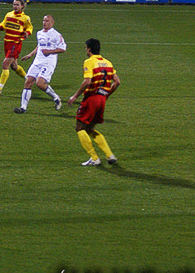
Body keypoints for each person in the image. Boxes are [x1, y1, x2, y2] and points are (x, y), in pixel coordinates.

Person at [67, 38, 120, 166]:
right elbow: (117, 82)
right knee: (90, 129)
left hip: (91, 98)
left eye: (86, 48)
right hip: (102, 100)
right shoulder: (108, 63)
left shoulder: (89, 62)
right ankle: (109, 155)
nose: (85, 50)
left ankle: (94, 158)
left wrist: (75, 96)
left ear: (89, 49)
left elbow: (87, 81)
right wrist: (106, 95)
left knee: (80, 128)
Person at [14, 15, 66, 113]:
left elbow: (63, 49)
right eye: (43, 20)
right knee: (28, 81)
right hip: (37, 61)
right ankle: (23, 107)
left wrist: (49, 52)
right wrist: (30, 54)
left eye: (47, 21)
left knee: (40, 83)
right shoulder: (39, 33)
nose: (44, 22)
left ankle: (56, 97)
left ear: (52, 23)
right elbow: (39, 46)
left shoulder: (56, 35)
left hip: (49, 62)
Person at [0, 0, 32, 95]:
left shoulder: (25, 18)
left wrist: (27, 33)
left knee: (5, 64)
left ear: (22, 6)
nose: (15, 6)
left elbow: (29, 27)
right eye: (14, 4)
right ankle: (29, 79)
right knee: (14, 66)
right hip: (7, 42)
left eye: (17, 5)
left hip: (15, 43)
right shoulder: (9, 15)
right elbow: (4, 24)